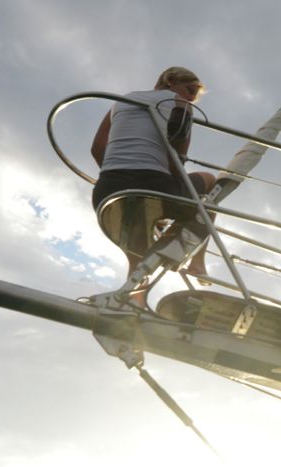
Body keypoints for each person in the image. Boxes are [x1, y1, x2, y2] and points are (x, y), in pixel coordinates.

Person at [90, 66, 216, 308]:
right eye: (190, 90)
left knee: (137, 261)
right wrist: (166, 203)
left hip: (107, 190)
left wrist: (120, 175)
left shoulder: (122, 100)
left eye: (193, 95)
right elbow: (176, 159)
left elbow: (97, 149)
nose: (190, 98)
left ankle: (133, 305)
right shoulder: (181, 105)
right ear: (170, 80)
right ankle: (198, 262)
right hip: (152, 183)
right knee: (209, 183)